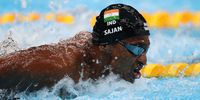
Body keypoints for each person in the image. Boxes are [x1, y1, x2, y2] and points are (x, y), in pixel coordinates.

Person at [0, 4, 150, 92]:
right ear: (106, 46)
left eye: (145, 49)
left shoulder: (101, 58)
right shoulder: (58, 67)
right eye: (137, 49)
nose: (144, 60)